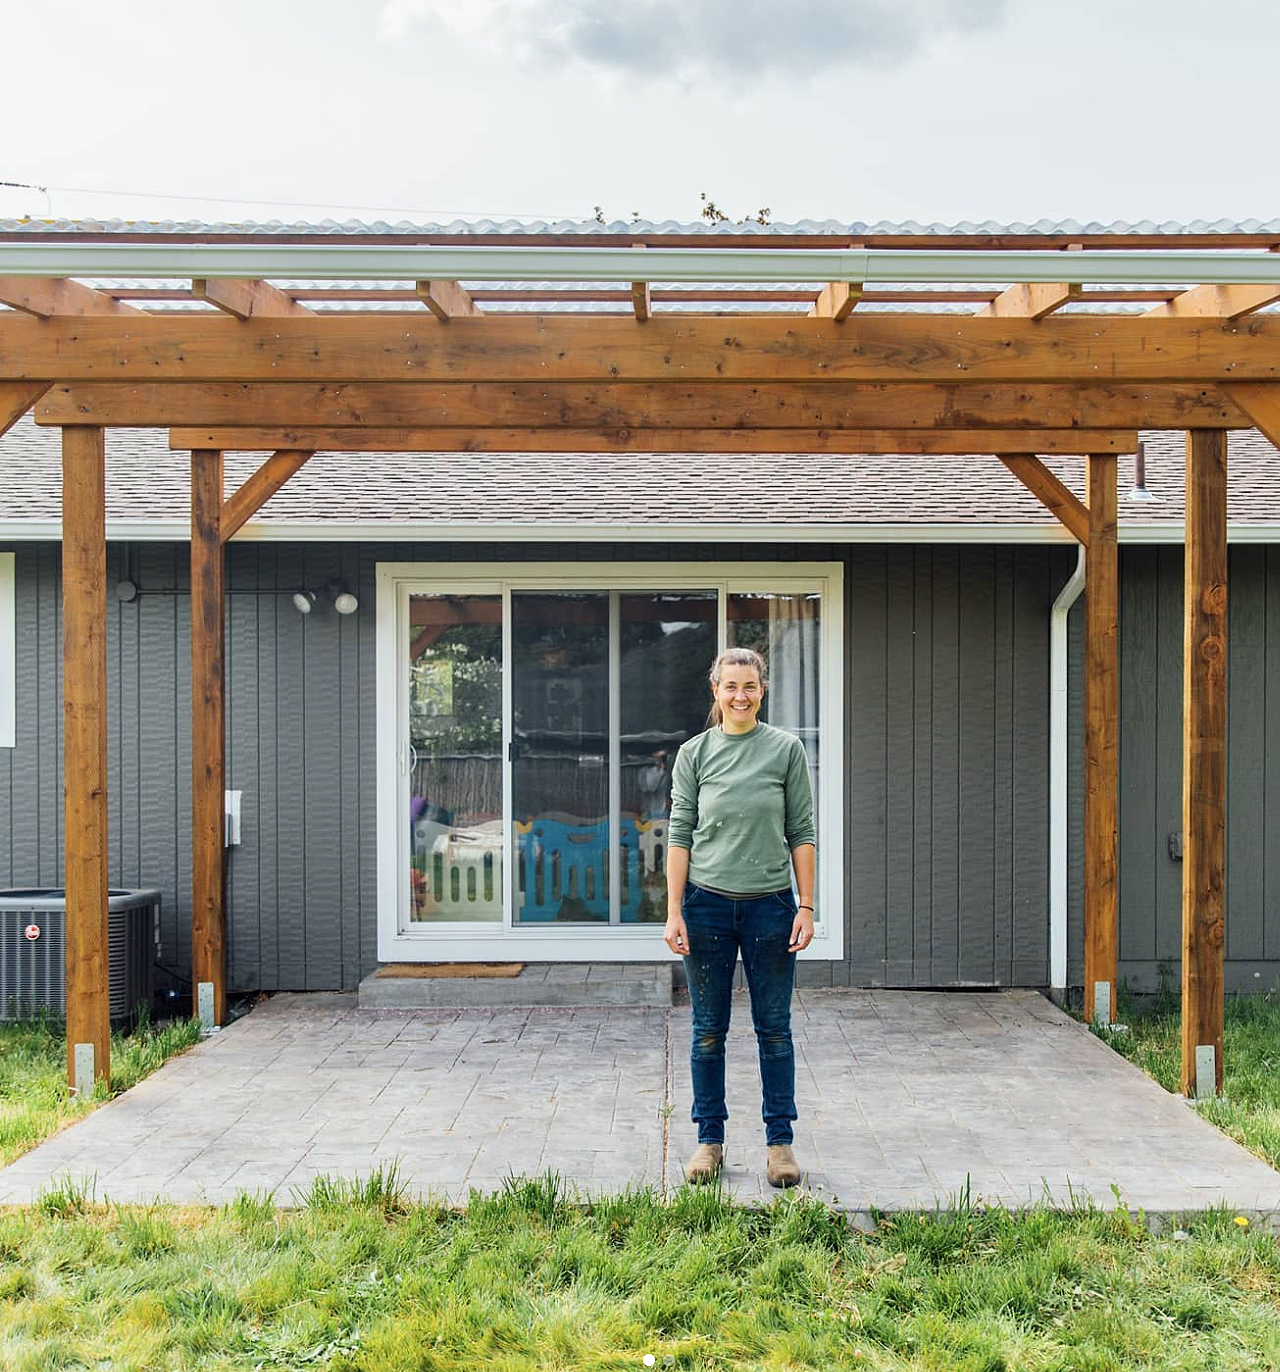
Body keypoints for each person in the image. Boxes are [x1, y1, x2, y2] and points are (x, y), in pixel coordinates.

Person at [663, 647, 816, 1188]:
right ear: (716, 691)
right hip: (705, 907)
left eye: (749, 685)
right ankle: (709, 1141)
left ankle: (780, 1146)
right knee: (708, 1031)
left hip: (771, 908)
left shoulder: (785, 751)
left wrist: (806, 904)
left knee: (774, 1030)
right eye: (730, 686)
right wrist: (674, 910)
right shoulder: (694, 755)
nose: (740, 695)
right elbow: (680, 835)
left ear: (763, 690)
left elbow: (802, 831)